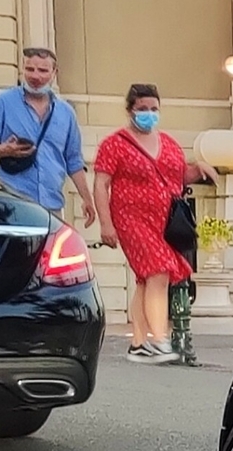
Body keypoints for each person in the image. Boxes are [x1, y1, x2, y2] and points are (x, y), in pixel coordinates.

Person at [90, 83, 218, 363]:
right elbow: (101, 184)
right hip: (131, 218)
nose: (149, 114)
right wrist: (106, 223)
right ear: (130, 111)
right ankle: (159, 340)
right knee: (158, 271)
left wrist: (199, 169)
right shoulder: (114, 144)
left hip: (164, 221)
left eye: (154, 109)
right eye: (142, 109)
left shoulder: (169, 144)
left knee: (146, 279)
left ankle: (139, 342)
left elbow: (178, 176)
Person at [0, 47, 94, 236]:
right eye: (30, 69)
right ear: (22, 70)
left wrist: (87, 199)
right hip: (13, 202)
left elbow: (73, 161)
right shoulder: (1, 103)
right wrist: (4, 150)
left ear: (54, 73)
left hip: (51, 205)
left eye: (43, 70)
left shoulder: (66, 113)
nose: (35, 76)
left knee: (50, 261)